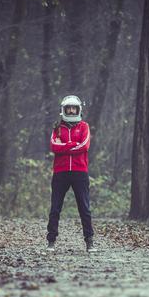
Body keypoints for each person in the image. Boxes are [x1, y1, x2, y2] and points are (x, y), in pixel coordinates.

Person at [46, 95, 95, 252]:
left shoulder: (84, 127)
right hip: (60, 173)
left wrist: (65, 146)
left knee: (84, 208)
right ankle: (51, 241)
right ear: (64, 110)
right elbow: (54, 146)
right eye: (69, 108)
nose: (72, 111)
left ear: (79, 109)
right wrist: (73, 145)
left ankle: (89, 241)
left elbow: (84, 146)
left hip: (80, 172)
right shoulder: (57, 128)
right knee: (55, 208)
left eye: (74, 108)